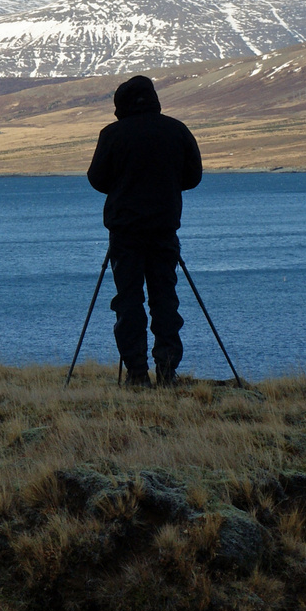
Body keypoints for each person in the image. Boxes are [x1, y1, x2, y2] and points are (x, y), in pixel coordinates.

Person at [85, 75, 202, 387]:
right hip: (164, 230)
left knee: (129, 301)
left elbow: (97, 179)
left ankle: (137, 375)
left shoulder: (112, 134)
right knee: (165, 300)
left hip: (125, 233)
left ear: (120, 105)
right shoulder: (176, 130)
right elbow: (193, 177)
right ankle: (167, 372)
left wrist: (124, 186)